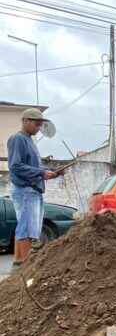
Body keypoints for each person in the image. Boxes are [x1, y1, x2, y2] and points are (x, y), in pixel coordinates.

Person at [7, 108, 59, 267]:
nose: (38, 128)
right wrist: (42, 173)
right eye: (36, 124)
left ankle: (18, 262)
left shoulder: (29, 140)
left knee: (25, 226)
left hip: (32, 190)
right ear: (25, 121)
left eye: (40, 125)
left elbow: (31, 168)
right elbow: (15, 166)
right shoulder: (18, 139)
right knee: (27, 229)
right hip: (25, 190)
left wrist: (48, 173)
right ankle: (25, 266)